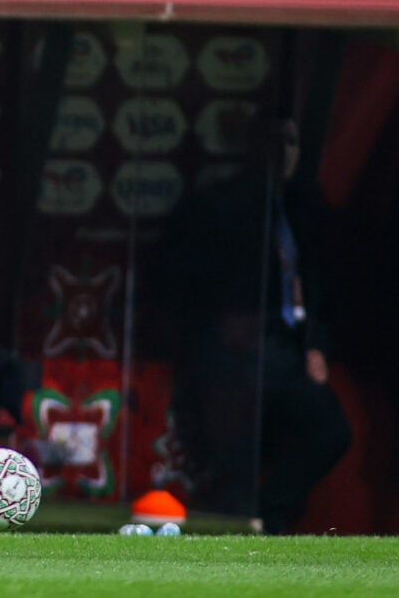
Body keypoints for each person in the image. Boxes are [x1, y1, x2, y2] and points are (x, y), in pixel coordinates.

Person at [155, 117, 351, 533]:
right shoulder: (220, 205)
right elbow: (180, 277)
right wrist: (217, 324)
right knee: (234, 463)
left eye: (292, 141)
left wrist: (315, 345)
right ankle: (238, 532)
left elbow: (317, 284)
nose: (284, 151)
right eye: (274, 140)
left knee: (330, 431)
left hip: (284, 353)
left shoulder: (302, 207)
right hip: (229, 357)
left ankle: (265, 512)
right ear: (254, 147)